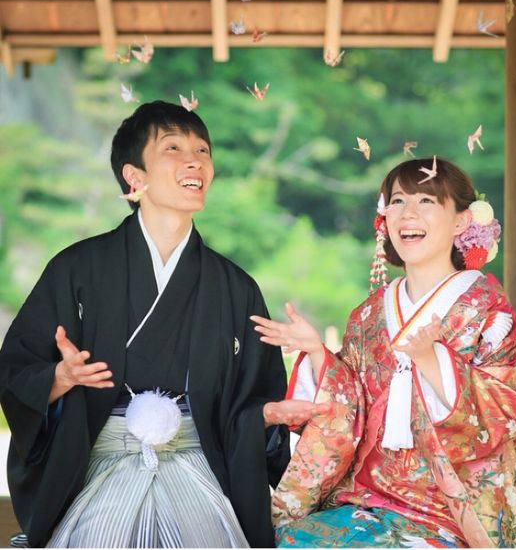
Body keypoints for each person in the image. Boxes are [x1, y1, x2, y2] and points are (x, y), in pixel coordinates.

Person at [0, 100, 323, 548]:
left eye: (203, 151)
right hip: (99, 467)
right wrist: (59, 378)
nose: (195, 161)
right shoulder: (77, 269)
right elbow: (16, 370)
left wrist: (264, 417)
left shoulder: (235, 287)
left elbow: (255, 396)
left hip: (197, 467)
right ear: (135, 177)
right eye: (173, 148)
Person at [251, 157, 516, 548]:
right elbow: (349, 405)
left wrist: (433, 362)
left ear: (461, 221)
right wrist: (319, 355)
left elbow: (512, 400)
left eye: (426, 201)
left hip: (451, 509)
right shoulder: (370, 313)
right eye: (397, 201)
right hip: (366, 496)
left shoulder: (488, 314)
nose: (408, 213)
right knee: (290, 541)